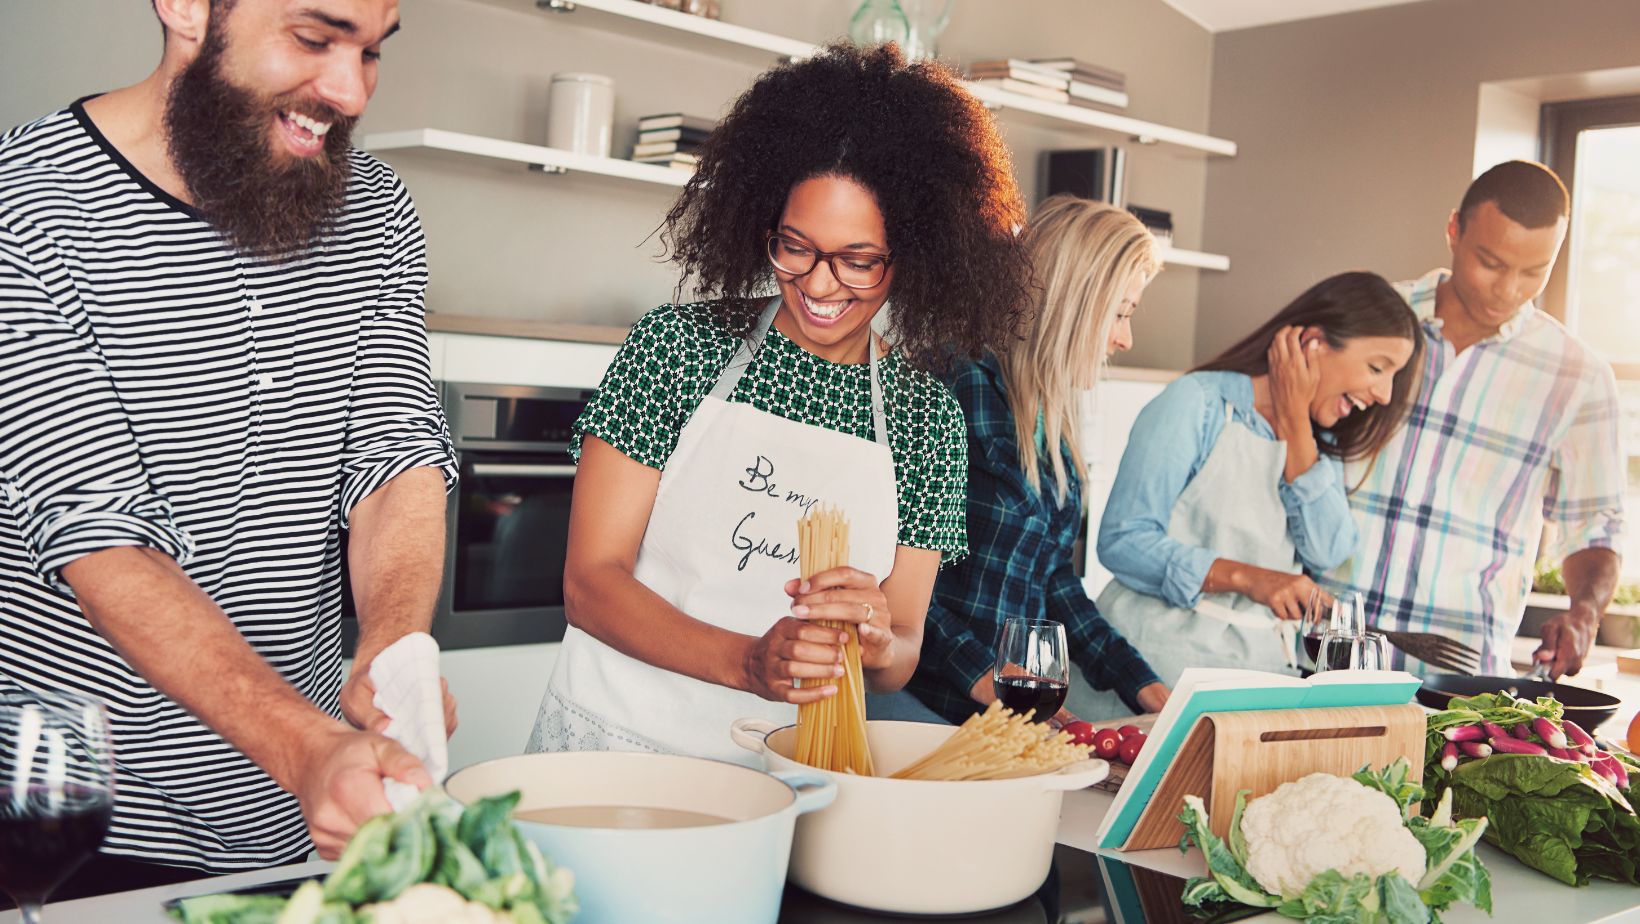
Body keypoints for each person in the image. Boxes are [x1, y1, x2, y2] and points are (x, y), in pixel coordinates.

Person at [0, 0, 457, 898]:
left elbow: (396, 457)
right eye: (314, 39)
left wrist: (392, 652)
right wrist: (310, 745)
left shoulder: (373, 208)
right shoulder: (25, 205)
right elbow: (101, 536)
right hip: (81, 815)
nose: (348, 89)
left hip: (311, 814)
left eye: (370, 52)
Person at [525, 43, 1032, 765]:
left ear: (913, 257)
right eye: (796, 247)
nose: (820, 285)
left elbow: (904, 650)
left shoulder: (927, 421)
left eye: (858, 260)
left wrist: (879, 638)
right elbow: (589, 583)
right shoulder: (677, 350)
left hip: (789, 771)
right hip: (616, 745)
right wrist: (746, 662)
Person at [1323, 161, 1627, 678]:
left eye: (1534, 272)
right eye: (1491, 262)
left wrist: (1583, 611)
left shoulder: (1579, 377)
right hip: (1318, 650)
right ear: (1453, 231)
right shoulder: (1364, 320)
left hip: (1455, 679)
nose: (1508, 289)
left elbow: (1594, 526)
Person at [1083, 272, 1422, 713]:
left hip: (1253, 689)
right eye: (1378, 368)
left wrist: (1294, 422)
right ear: (1314, 343)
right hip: (1148, 683)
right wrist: (1249, 578)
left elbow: (1328, 549)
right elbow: (1122, 541)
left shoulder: (1318, 446)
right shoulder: (1197, 403)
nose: (1383, 394)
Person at [903, 196, 1170, 726]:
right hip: (924, 707)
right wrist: (990, 681)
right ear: (1072, 301)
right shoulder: (955, 386)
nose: (1125, 338)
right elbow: (897, 582)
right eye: (1119, 313)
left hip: (997, 717)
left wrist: (1142, 682)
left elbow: (1053, 581)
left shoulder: (1050, 423)